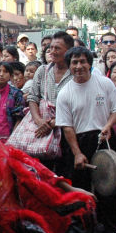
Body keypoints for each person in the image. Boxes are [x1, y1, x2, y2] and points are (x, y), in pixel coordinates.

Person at [55, 46, 116, 233]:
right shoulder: (64, 93)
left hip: (105, 138)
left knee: (110, 188)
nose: (79, 66)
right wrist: (77, 153)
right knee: (80, 190)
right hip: (77, 141)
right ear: (69, 67)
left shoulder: (104, 83)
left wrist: (109, 125)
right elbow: (67, 127)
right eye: (74, 63)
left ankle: (113, 232)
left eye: (83, 61)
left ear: (90, 63)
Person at [25, 32, 75, 172]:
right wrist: (38, 120)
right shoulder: (42, 70)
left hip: (67, 133)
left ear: (68, 50)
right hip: (42, 131)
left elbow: (77, 106)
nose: (52, 52)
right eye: (50, 48)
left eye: (57, 48)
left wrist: (53, 123)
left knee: (65, 172)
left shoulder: (75, 73)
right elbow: (33, 97)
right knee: (43, 173)